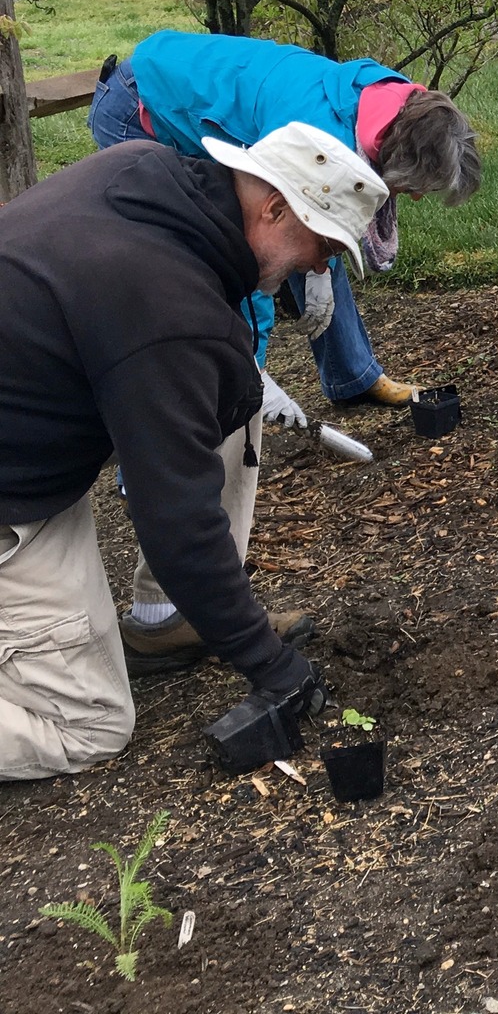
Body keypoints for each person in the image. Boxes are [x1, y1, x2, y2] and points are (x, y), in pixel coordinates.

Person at [0, 123, 385, 779]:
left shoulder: (142, 168)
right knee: (88, 724)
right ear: (273, 207)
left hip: (28, 444)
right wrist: (268, 663)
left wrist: (224, 370)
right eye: (323, 243)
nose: (322, 265)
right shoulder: (162, 307)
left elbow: (155, 342)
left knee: (230, 388)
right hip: (14, 493)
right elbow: (176, 515)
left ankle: (161, 619)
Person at [89, 29, 482, 407]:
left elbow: (323, 233)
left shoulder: (397, 106)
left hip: (195, 80)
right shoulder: (321, 134)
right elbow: (252, 255)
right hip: (140, 104)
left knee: (323, 235)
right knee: (204, 253)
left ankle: (352, 376)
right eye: (420, 185)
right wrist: (253, 374)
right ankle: (186, 430)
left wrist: (320, 270)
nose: (414, 196)